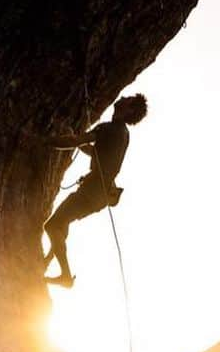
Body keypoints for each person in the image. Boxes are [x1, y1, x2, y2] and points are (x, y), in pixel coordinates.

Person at [43, 93, 148, 287]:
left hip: (92, 191)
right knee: (63, 220)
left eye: (129, 100)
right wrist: (79, 142)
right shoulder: (123, 134)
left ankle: (64, 275)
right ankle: (49, 259)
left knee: (52, 226)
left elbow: (75, 142)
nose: (124, 97)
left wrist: (45, 141)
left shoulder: (109, 128)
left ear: (129, 110)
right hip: (101, 194)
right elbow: (96, 153)